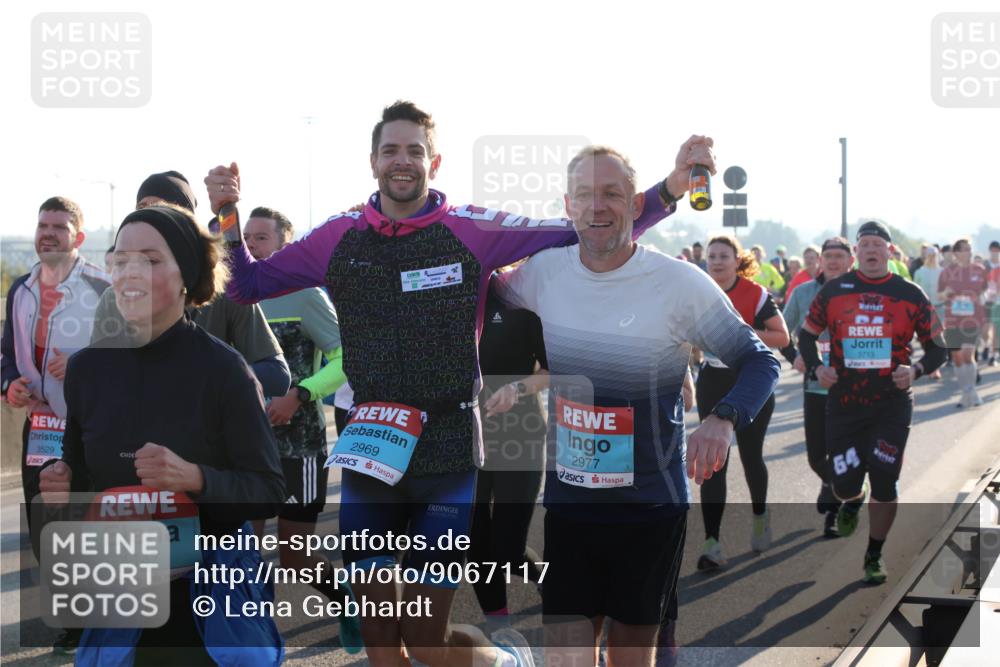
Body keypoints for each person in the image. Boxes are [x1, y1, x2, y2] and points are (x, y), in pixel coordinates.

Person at [207, 100, 711, 667]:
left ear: (435, 161)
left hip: (446, 456)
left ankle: (504, 662)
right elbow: (245, 284)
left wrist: (670, 187)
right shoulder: (338, 236)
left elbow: (589, 227)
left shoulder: (471, 229)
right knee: (382, 649)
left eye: (415, 151)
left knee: (424, 642)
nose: (404, 161)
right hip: (370, 455)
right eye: (392, 151)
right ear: (373, 161)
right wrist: (226, 211)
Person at [494, 145, 778, 667]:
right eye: (585, 195)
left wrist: (722, 418)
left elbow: (760, 361)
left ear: (633, 202)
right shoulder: (542, 273)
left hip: (648, 505)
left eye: (612, 194)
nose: (597, 207)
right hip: (570, 505)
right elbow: (482, 312)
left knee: (630, 658)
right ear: (567, 203)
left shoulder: (678, 283)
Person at [38, 204, 286, 665]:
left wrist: (195, 478)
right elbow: (79, 472)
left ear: (186, 276)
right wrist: (63, 482)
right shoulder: (88, 370)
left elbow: (268, 490)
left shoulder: (224, 369)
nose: (131, 272)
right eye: (121, 260)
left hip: (210, 607)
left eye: (151, 260)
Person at [242, 206, 363, 654]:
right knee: (244, 551)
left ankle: (348, 602)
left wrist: (300, 394)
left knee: (295, 557)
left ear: (283, 246)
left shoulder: (306, 294)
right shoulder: (232, 297)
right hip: (244, 446)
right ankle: (257, 642)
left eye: (261, 238)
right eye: (247, 238)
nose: (251, 246)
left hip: (299, 442)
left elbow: (346, 358)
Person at [798, 220, 947, 584]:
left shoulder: (910, 293)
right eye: (864, 244)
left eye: (877, 245)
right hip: (845, 404)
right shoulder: (835, 291)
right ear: (857, 252)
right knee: (843, 483)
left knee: (886, 480)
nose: (870, 250)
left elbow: (940, 347)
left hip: (891, 405)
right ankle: (852, 498)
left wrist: (915, 371)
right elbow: (806, 336)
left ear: (889, 252)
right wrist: (817, 368)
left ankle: (874, 553)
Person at [0, 196, 108, 655]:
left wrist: (85, 362)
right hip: (40, 426)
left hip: (91, 427)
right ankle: (72, 619)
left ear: (78, 237)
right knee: (46, 524)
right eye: (43, 225)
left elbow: (131, 357)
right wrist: (9, 385)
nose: (48, 233)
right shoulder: (20, 288)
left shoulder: (104, 288)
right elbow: (6, 353)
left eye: (59, 226)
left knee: (88, 520)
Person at [90, 170, 290, 398]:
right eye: (143, 208)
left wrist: (203, 376)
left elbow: (277, 375)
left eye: (165, 208)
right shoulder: (115, 295)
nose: (151, 217)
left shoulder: (225, 289)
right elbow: (97, 376)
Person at [694, 235, 789, 569]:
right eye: (712, 256)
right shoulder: (699, 290)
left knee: (751, 456)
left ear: (737, 260)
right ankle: (711, 543)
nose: (717, 261)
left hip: (751, 380)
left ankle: (760, 514)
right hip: (713, 379)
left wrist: (743, 333)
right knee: (712, 462)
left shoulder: (755, 294)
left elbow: (782, 336)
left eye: (724, 255)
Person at [468, 271, 549, 634]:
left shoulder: (521, 303)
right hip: (463, 435)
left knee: (509, 548)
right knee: (474, 541)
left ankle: (559, 592)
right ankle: (499, 628)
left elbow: (552, 370)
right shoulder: (445, 301)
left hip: (520, 430)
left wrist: (516, 388)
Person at [780, 237, 854, 537]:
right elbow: (782, 331)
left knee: (839, 451)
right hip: (815, 384)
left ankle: (834, 513)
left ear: (851, 261)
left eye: (840, 256)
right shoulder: (803, 293)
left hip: (852, 387)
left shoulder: (862, 292)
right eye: (829, 256)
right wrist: (795, 356)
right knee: (816, 456)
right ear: (820, 261)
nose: (834, 261)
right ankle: (838, 485)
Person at [937, 237, 988, 408]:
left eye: (970, 248)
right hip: (953, 320)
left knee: (968, 355)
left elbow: (985, 293)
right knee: (957, 358)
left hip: (973, 319)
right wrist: (947, 293)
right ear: (957, 253)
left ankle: (970, 391)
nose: (969, 251)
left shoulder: (980, 270)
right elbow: (939, 296)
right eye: (965, 249)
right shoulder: (947, 272)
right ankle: (966, 393)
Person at [912, 246, 945, 379]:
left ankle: (935, 367)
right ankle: (931, 367)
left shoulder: (943, 271)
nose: (932, 257)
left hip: (940, 306)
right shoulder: (920, 272)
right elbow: (915, 289)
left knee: (938, 337)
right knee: (926, 338)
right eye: (929, 255)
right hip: (925, 308)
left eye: (934, 255)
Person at [987, 241, 1000, 366]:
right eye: (993, 250)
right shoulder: (985, 266)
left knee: (996, 329)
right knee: (984, 330)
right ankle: (986, 346)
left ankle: (994, 355)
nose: (995, 252)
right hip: (984, 301)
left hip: (998, 303)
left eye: (997, 250)